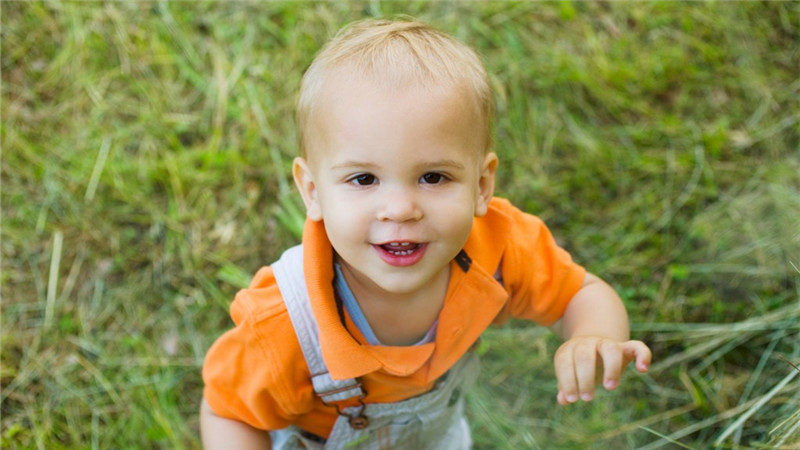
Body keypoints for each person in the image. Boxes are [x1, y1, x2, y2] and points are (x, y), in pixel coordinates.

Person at [200, 18, 652, 449]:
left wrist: (593, 335)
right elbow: (229, 411)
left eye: (433, 177)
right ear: (313, 192)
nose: (400, 209)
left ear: (481, 186)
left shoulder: (497, 246)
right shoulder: (283, 325)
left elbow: (579, 293)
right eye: (363, 179)